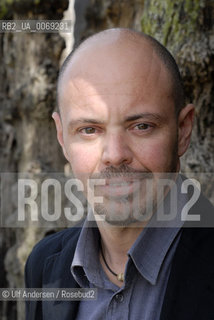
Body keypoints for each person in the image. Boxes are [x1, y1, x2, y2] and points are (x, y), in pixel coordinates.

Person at [25, 28, 214, 320]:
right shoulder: (44, 266)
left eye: (141, 126)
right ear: (62, 138)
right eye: (89, 130)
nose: (114, 155)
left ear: (184, 131)